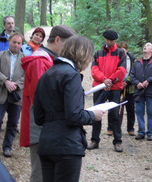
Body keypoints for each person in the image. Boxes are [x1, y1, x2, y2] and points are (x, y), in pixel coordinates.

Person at [34, 35, 105, 182]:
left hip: (46, 142)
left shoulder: (46, 75)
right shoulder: (71, 75)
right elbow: (74, 116)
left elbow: (39, 117)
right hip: (67, 145)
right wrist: (93, 115)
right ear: (82, 54)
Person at [19, 25, 76, 182]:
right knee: (40, 174)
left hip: (47, 126)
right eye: (68, 45)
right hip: (40, 127)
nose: (70, 50)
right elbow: (41, 98)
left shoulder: (49, 59)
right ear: (57, 40)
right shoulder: (40, 60)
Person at [88, 30, 126, 152]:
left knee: (114, 114)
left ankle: (117, 141)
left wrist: (110, 80)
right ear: (105, 39)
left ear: (114, 40)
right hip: (99, 86)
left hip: (114, 87)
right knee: (96, 113)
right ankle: (94, 140)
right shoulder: (98, 53)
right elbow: (94, 70)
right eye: (107, 39)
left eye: (111, 40)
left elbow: (122, 70)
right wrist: (104, 80)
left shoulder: (120, 53)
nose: (109, 42)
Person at [0, 32, 24, 157]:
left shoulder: (25, 59)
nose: (16, 45)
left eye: (19, 43)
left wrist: (16, 84)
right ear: (9, 41)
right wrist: (5, 81)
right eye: (14, 42)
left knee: (13, 123)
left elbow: (27, 76)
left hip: (16, 94)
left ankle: (7, 147)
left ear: (21, 44)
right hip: (1, 92)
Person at [130, 42, 152, 141]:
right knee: (139, 112)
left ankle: (150, 133)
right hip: (139, 91)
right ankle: (141, 132)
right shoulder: (137, 62)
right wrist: (137, 83)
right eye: (145, 46)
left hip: (151, 91)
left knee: (151, 113)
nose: (145, 47)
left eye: (147, 46)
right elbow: (132, 75)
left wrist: (149, 80)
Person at [117, 41, 136, 136]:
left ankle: (130, 128)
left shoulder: (132, 59)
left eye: (123, 50)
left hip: (129, 86)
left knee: (130, 107)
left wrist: (127, 81)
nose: (122, 52)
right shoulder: (116, 58)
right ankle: (112, 127)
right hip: (117, 84)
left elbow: (133, 72)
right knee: (115, 106)